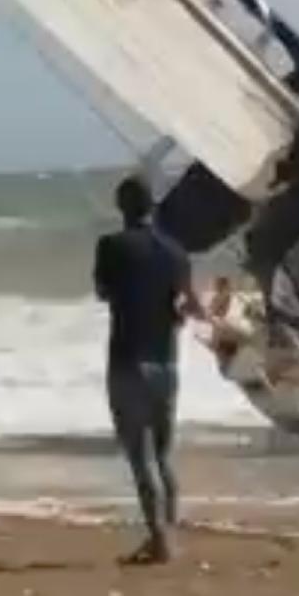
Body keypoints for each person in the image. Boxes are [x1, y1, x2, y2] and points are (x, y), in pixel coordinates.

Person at [94, 176, 202, 564]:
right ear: (151, 206)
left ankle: (160, 540)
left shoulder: (111, 246)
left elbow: (103, 292)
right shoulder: (175, 252)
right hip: (167, 361)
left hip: (128, 359)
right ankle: (168, 533)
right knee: (162, 456)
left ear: (121, 207)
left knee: (140, 458)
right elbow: (190, 307)